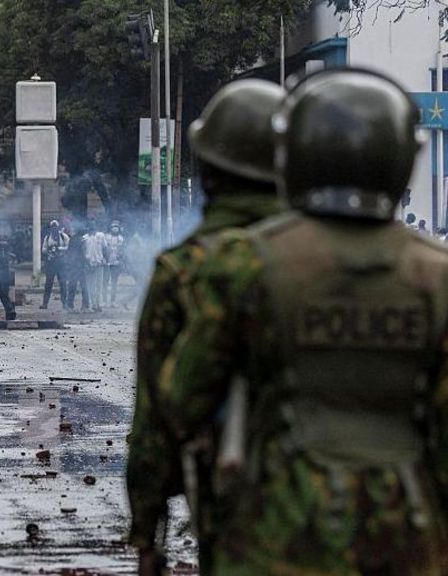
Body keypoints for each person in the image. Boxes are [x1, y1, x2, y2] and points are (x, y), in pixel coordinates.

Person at [159, 69, 448, 574]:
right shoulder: (439, 278)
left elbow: (183, 400)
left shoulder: (243, 263)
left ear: (294, 157)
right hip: (408, 539)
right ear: (403, 161)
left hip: (272, 535)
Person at [125, 79, 286, 576]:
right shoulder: (377, 265)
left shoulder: (189, 269)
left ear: (209, 171)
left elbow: (157, 420)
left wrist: (148, 533)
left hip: (243, 515)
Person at [40, 219, 69, 309]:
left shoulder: (64, 236)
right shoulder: (47, 237)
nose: (54, 229)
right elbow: (43, 249)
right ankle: (45, 303)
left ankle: (64, 303)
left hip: (61, 263)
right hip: (51, 263)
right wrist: (49, 250)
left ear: (58, 227)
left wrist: (59, 248)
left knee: (63, 284)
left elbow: (68, 247)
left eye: (55, 227)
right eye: (52, 227)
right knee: (48, 284)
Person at [63, 221, 89, 311]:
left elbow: (69, 253)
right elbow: (84, 253)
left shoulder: (72, 239)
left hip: (74, 266)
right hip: (80, 266)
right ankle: (85, 306)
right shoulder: (82, 240)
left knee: (72, 286)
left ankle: (69, 305)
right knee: (84, 287)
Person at [83, 222, 107, 312]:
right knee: (90, 286)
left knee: (99, 285)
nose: (91, 229)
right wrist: (86, 262)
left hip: (99, 263)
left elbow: (105, 248)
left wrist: (105, 259)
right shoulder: (85, 238)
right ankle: (92, 304)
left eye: (93, 227)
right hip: (89, 264)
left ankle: (98, 304)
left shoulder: (101, 236)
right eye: (90, 227)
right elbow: (83, 251)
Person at [103, 220, 125, 307]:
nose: (115, 229)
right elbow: (104, 249)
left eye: (116, 227)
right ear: (110, 228)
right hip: (107, 263)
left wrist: (121, 258)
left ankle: (113, 301)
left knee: (114, 283)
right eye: (113, 227)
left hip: (116, 263)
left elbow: (122, 251)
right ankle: (104, 301)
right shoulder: (106, 237)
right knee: (105, 282)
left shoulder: (121, 238)